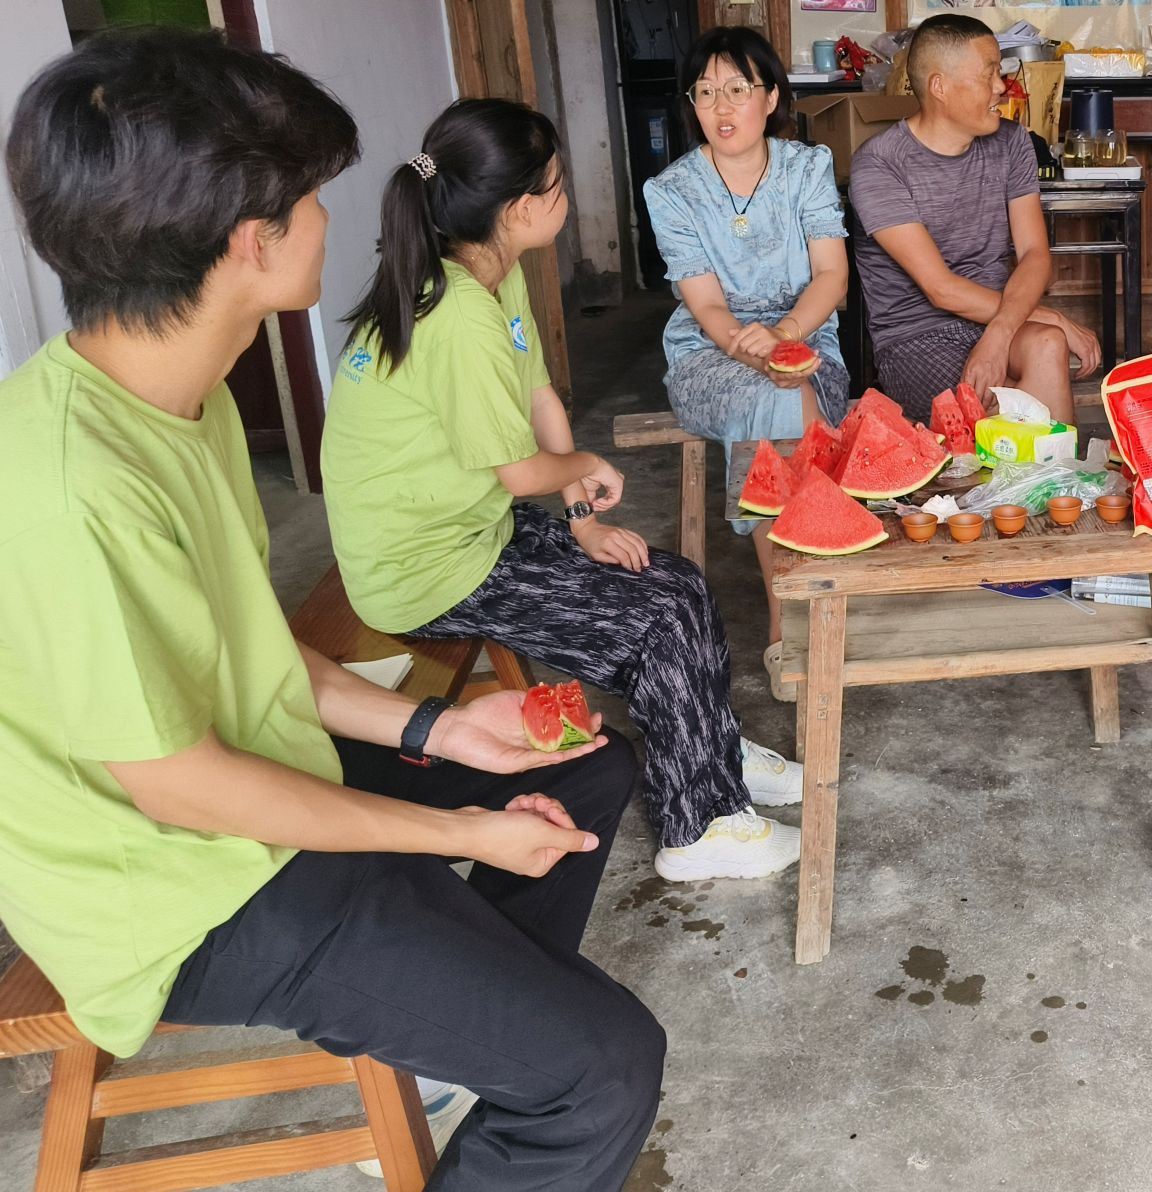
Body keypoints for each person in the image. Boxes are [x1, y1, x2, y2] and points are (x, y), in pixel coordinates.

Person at [0, 27, 664, 1192]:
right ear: (250, 242)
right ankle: (504, 1035)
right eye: (310, 197)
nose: (326, 219)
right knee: (603, 1069)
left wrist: (439, 734)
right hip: (174, 887)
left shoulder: (180, 397)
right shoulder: (68, 483)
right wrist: (449, 832)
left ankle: (464, 1034)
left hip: (248, 778)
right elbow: (183, 789)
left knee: (579, 770)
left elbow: (247, 651)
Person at [321, 97, 804, 887]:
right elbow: (521, 471)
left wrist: (582, 520)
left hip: (472, 527)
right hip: (425, 568)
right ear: (518, 209)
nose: (566, 194)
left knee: (676, 581)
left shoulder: (491, 270)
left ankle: (710, 747)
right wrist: (585, 464)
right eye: (555, 183)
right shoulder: (458, 314)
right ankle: (699, 827)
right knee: (657, 623)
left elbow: (539, 395)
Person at [644, 26, 849, 701]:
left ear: (771, 97)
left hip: (809, 340)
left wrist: (786, 336)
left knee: (792, 393)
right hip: (708, 354)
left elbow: (832, 275)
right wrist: (747, 346)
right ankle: (791, 614)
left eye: (737, 88)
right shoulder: (671, 190)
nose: (721, 106)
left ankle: (815, 593)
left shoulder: (806, 169)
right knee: (778, 402)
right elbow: (704, 301)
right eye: (704, 93)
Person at [848, 13, 1100, 421]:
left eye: (1000, 72)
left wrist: (1000, 333)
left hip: (1000, 318)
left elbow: (1035, 254)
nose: (1001, 87)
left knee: (1048, 344)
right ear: (940, 87)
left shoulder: (1012, 142)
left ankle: (1054, 465)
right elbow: (941, 290)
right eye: (989, 74)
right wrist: (1050, 315)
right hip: (918, 338)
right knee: (1003, 411)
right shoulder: (879, 164)